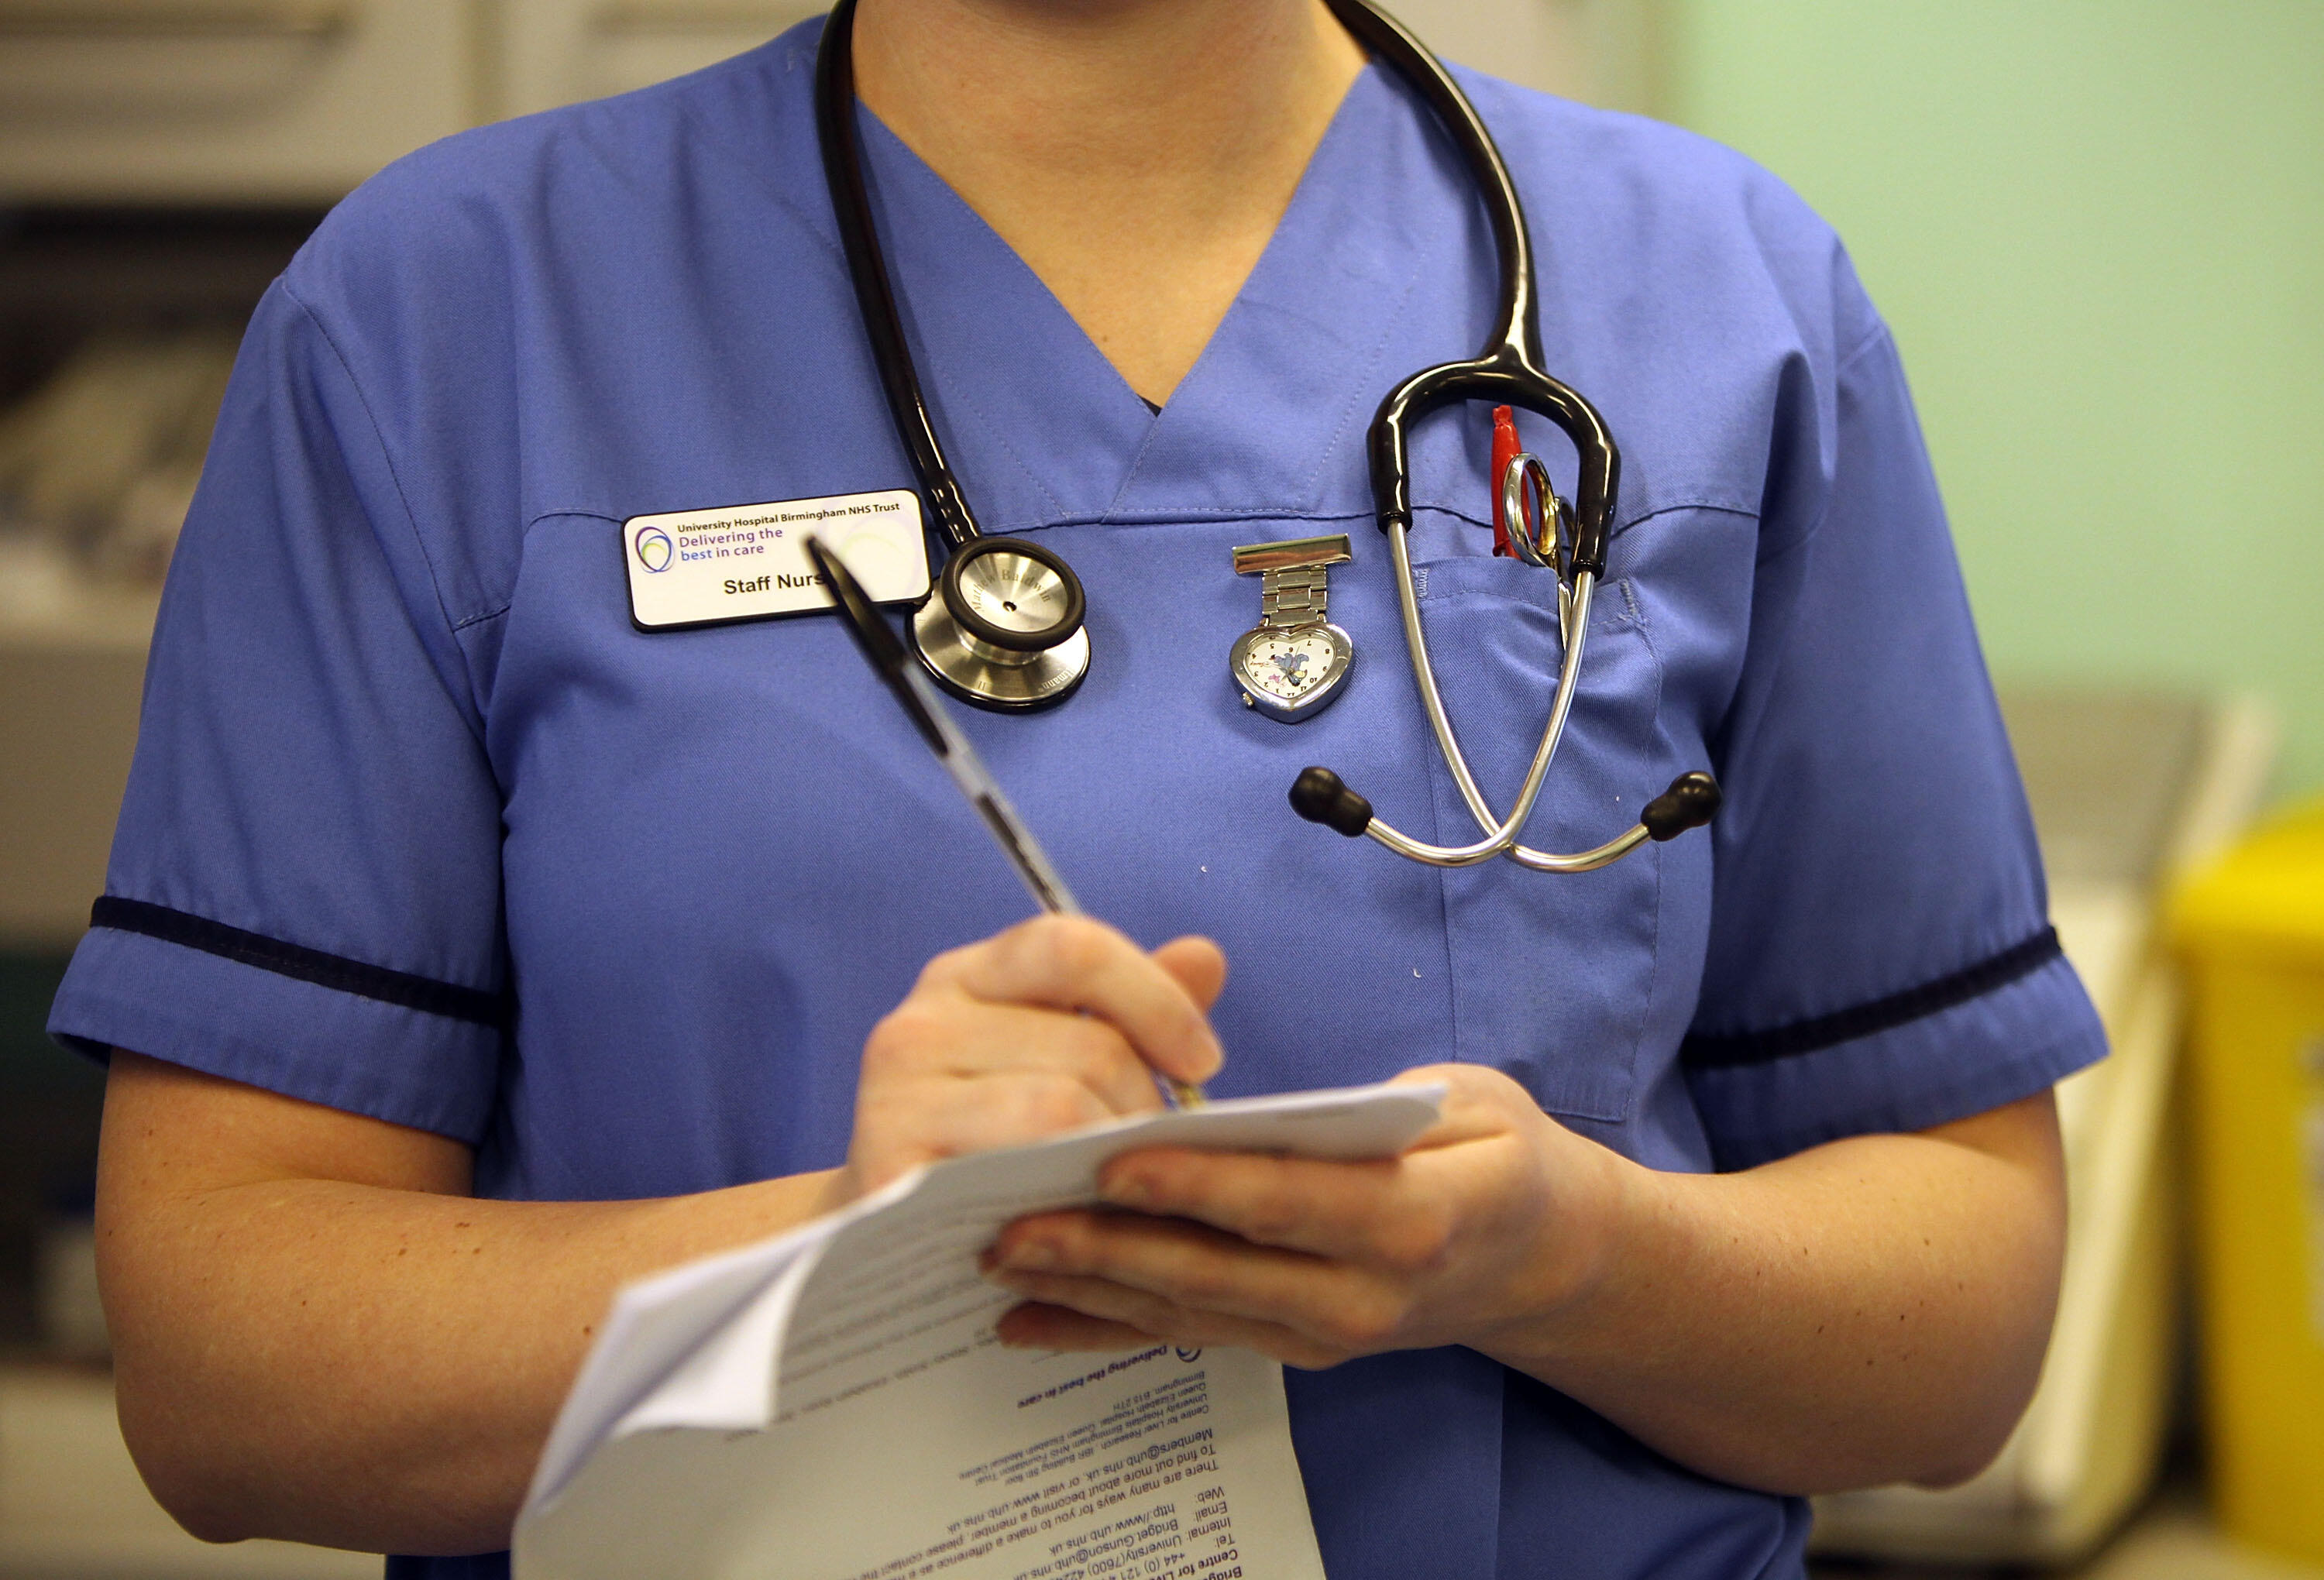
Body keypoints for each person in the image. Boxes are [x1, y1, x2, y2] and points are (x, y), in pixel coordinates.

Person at [49, 1, 2106, 1576]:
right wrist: (847, 1257)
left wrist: (1569, 1257)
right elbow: (232, 1370)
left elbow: (1964, 1329)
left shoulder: (1721, 304)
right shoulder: (441, 323)